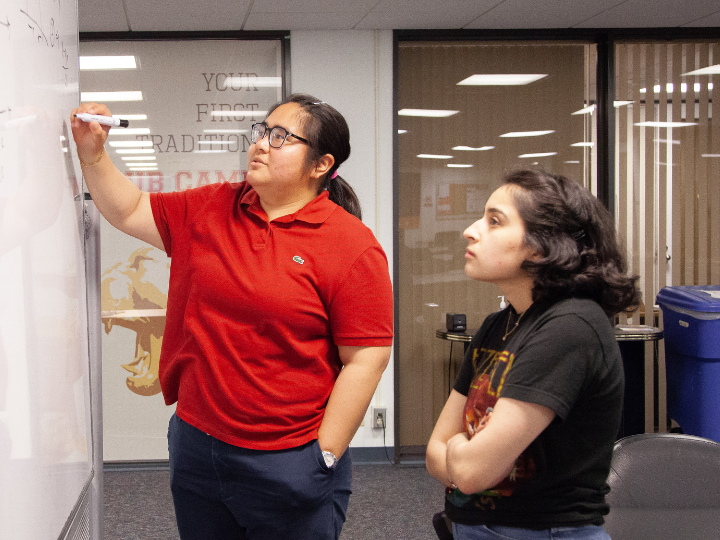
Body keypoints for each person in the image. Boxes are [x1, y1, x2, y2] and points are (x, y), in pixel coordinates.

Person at [71, 93, 393, 540]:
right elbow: (128, 209)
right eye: (262, 131)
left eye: (281, 137)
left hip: (288, 458)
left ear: (321, 165)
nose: (261, 143)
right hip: (197, 446)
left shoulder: (352, 246)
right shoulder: (211, 207)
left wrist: (325, 454)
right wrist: (94, 153)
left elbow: (366, 359)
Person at [426, 168, 640, 540]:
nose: (471, 230)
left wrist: (460, 451)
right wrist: (463, 457)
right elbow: (433, 454)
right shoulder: (499, 324)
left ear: (541, 247)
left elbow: (473, 472)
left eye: (494, 221)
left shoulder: (570, 325)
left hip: (545, 532)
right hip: (480, 527)